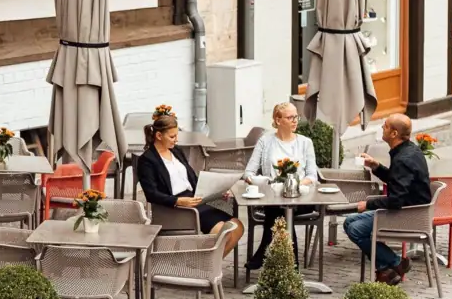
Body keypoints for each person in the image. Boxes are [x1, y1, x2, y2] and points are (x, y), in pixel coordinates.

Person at [137, 109, 244, 257]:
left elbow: (192, 178)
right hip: (175, 208)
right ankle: (206, 266)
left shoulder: (176, 151)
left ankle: (208, 266)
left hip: (195, 200)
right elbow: (151, 194)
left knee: (237, 226)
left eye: (177, 136)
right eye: (172, 136)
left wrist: (217, 191)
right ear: (159, 135)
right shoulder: (147, 160)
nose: (176, 140)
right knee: (224, 231)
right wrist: (178, 201)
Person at [342, 114, 433, 286]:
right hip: (409, 210)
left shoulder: (404, 159)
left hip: (409, 216)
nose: (381, 128)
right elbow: (397, 181)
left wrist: (368, 204)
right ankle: (387, 268)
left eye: (385, 126)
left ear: (394, 133)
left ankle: (395, 261)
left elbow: (395, 200)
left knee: (355, 229)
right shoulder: (408, 150)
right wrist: (375, 166)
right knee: (349, 222)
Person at [242, 102, 320, 269]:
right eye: (290, 117)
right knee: (280, 209)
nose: (295, 121)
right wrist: (267, 182)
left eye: (296, 117)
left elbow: (312, 175)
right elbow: (248, 173)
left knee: (281, 210)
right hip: (273, 198)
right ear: (278, 120)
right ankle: (293, 267)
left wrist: (294, 184)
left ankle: (264, 249)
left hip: (301, 197)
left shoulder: (305, 142)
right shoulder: (265, 141)